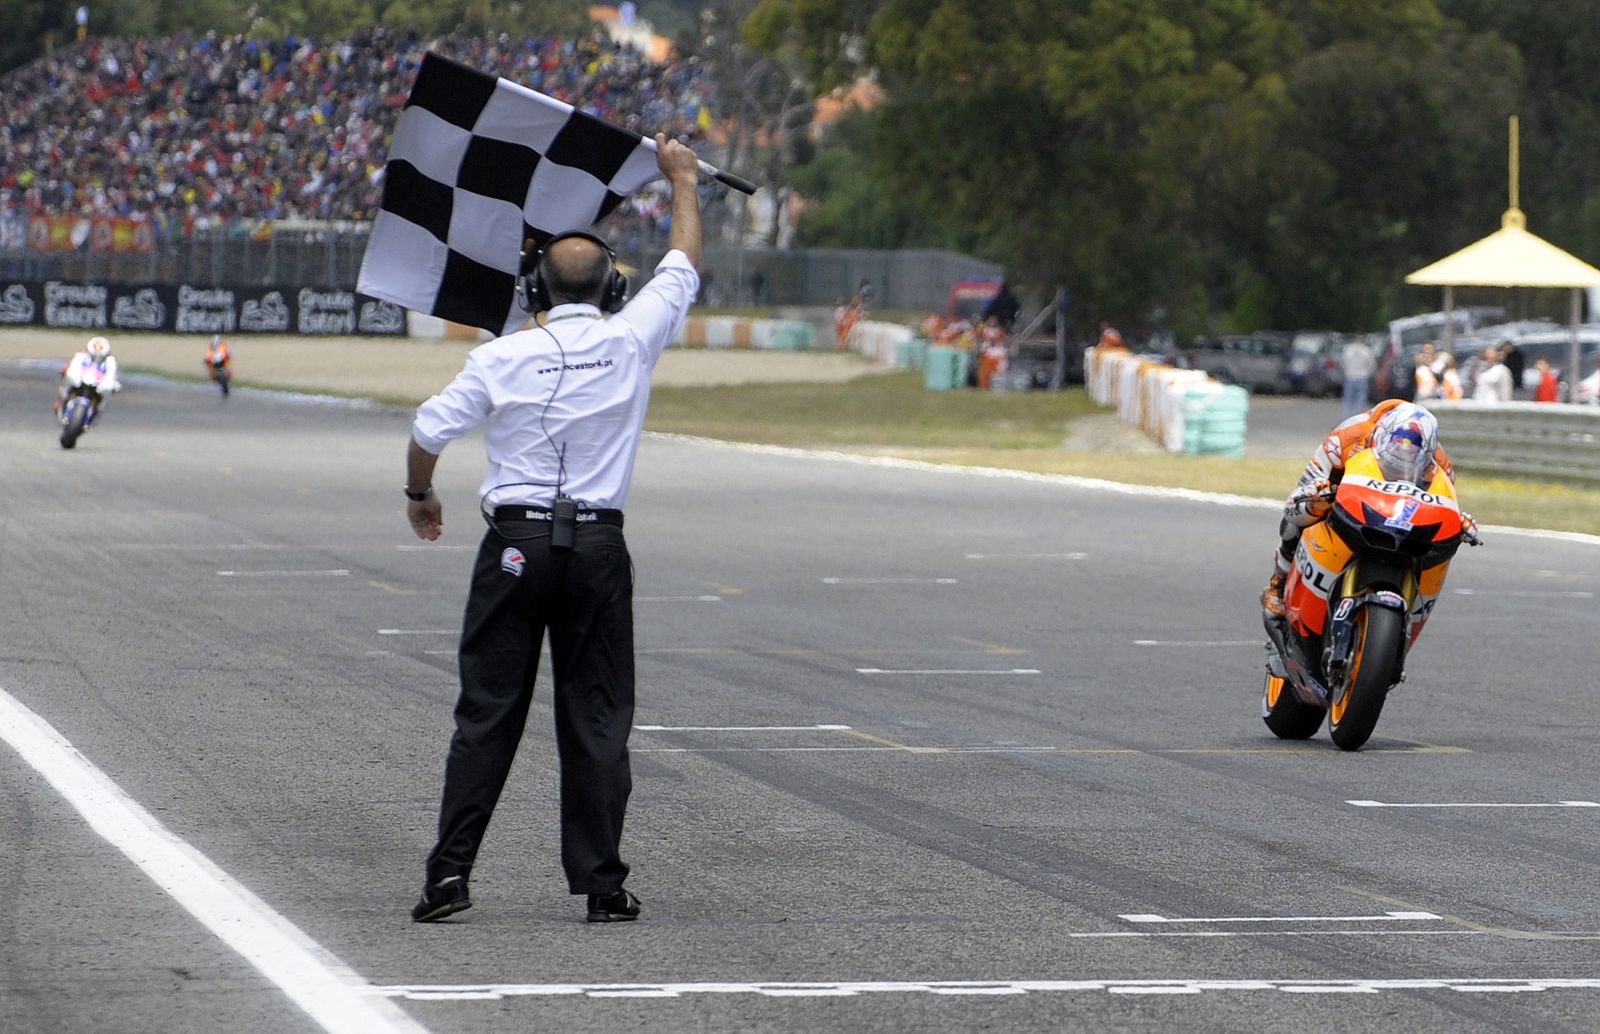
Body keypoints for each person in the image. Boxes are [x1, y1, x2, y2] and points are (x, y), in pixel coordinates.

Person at [403, 133, 703, 926]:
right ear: (611, 291)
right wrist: (680, 181)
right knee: (598, 718)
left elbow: (428, 432)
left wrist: (419, 495)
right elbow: (683, 263)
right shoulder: (633, 340)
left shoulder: (503, 356)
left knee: (488, 713)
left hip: (513, 544)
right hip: (598, 546)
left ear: (534, 285)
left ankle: (448, 878)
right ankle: (602, 886)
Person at [1261, 400, 1481, 624]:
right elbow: (1299, 493)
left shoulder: (1440, 462)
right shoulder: (1346, 438)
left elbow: (1442, 502)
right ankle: (1278, 585)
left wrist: (1458, 521)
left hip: (1395, 511)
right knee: (1299, 515)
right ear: (1381, 439)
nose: (1400, 465)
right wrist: (1317, 494)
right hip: (1343, 492)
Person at [56, 335, 119, 414]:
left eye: (100, 348)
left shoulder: (110, 361)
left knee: (104, 397)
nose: (97, 351)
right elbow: (72, 365)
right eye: (96, 347)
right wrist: (66, 370)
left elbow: (112, 374)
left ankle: (96, 410)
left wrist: (113, 384)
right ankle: (61, 403)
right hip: (81, 380)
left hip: (97, 384)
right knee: (65, 385)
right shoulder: (82, 354)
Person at [1339, 336, 1374, 419]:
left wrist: (1346, 371)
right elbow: (1371, 364)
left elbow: (1343, 362)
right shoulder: (1366, 350)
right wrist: (1368, 373)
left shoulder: (1348, 349)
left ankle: (1346, 416)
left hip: (1350, 376)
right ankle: (1358, 417)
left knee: (1348, 399)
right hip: (1362, 376)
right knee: (1361, 399)